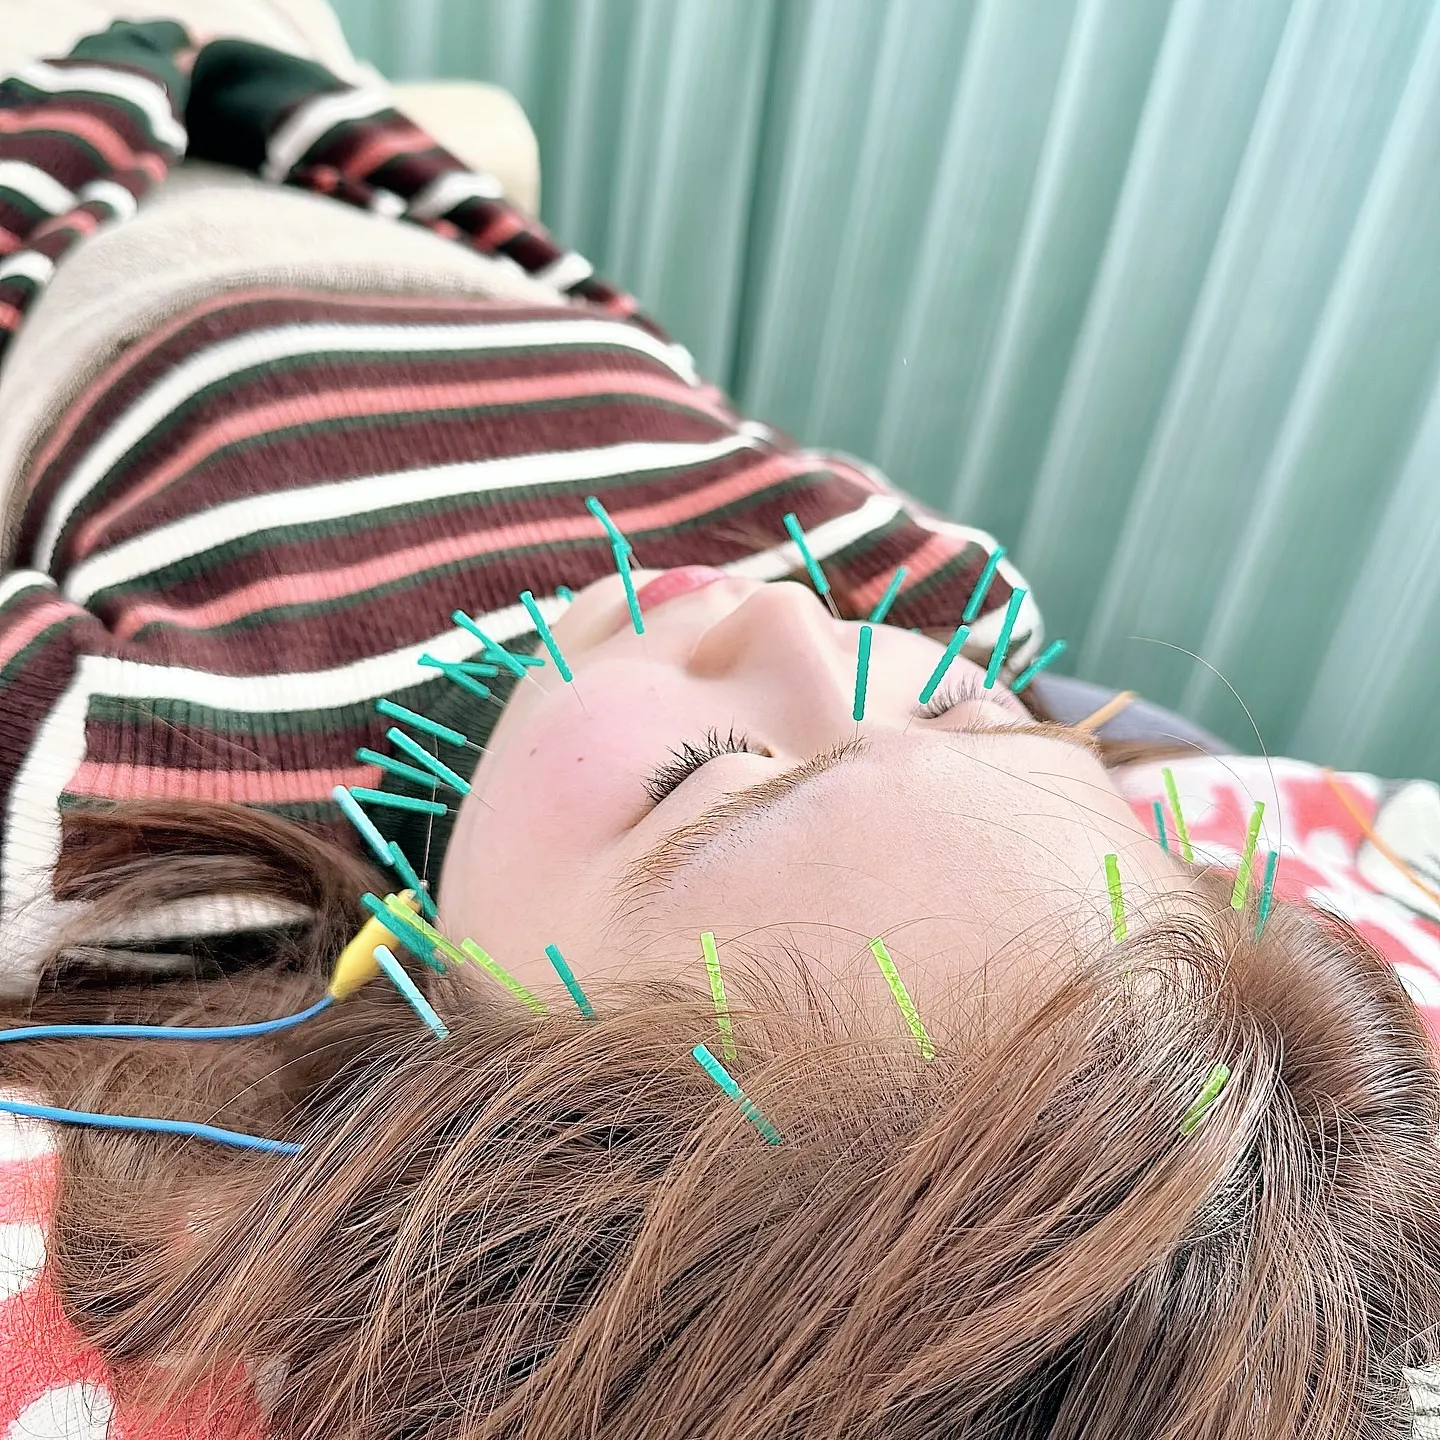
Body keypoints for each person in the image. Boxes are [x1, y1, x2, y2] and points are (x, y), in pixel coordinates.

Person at [0, 10, 1438, 1438]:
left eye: (699, 777)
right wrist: (311, 109)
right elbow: (640, 361)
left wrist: (112, 90)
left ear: (470, 1085)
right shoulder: (931, 591)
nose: (791, 621)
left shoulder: (141, 789)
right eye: (963, 707)